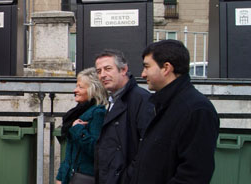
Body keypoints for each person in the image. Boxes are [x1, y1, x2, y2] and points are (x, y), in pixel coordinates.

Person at [126, 40, 219, 183]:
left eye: (147, 67)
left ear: (166, 68)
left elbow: (193, 175)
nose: (143, 74)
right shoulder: (162, 105)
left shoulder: (196, 110)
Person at [93, 50, 154, 184]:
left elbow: (147, 148)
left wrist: (126, 177)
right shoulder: (112, 100)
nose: (103, 75)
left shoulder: (142, 100)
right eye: (99, 71)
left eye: (108, 69)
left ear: (123, 70)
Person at [55, 68, 108, 184]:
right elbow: (70, 152)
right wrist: (60, 176)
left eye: (80, 87)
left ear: (93, 90)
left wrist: (78, 130)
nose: (75, 90)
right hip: (70, 177)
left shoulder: (98, 113)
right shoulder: (79, 112)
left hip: (84, 177)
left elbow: (96, 150)